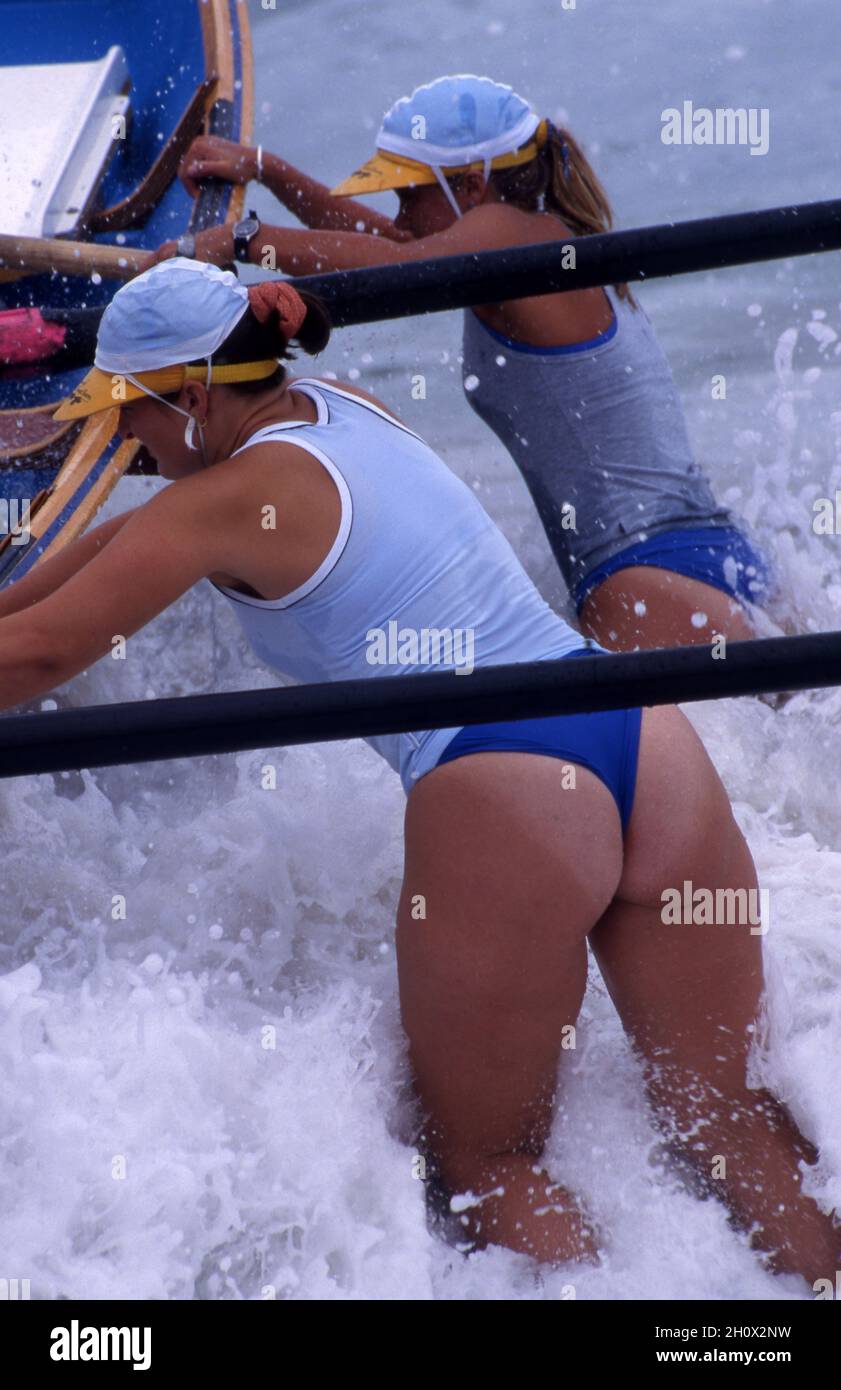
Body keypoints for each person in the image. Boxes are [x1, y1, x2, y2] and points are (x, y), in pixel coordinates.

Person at [1, 257, 835, 1284]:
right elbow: (79, 574)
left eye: (128, 415)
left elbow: (37, 658)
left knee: (491, 1166)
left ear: (191, 397)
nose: (124, 442)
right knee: (729, 1123)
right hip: (643, 740)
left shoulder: (222, 501)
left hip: (507, 779)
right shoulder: (335, 403)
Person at [148, 74, 776, 653]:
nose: (398, 216)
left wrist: (240, 241)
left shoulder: (507, 233)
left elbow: (399, 267)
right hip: (713, 556)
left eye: (408, 197)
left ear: (471, 186)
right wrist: (268, 171)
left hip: (644, 581)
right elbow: (387, 247)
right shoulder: (536, 247)